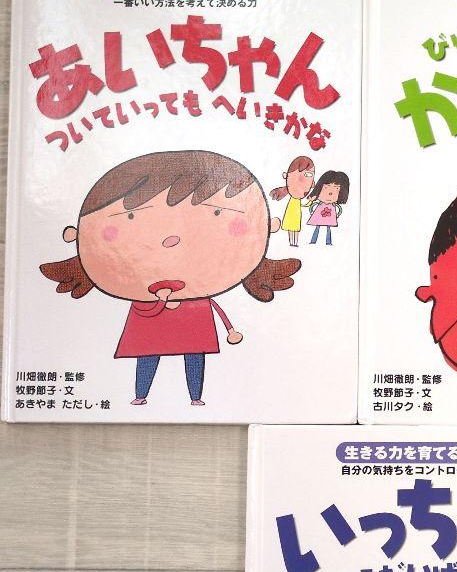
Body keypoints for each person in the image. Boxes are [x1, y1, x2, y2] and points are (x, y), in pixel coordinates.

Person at [40, 150, 299, 407]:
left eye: (216, 213)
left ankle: (195, 397)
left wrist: (229, 329)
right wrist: (158, 301)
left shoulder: (200, 292)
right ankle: (141, 394)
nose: (171, 239)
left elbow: (218, 310)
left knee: (194, 355)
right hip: (150, 317)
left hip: (194, 317)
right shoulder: (141, 293)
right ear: (77, 236)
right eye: (130, 216)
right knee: (148, 354)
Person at [270, 156, 316, 246]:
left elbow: (303, 205)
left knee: (295, 229)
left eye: (308, 175)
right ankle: (292, 242)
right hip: (291, 215)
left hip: (296, 216)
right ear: (286, 176)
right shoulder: (293, 199)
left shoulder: (297, 200)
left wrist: (310, 201)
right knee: (291, 229)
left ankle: (294, 242)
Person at [306, 170, 350, 245]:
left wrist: (337, 215)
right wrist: (312, 212)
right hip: (318, 217)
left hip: (330, 218)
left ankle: (328, 242)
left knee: (328, 228)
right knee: (317, 227)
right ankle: (313, 241)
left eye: (336, 189)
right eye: (326, 187)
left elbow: (339, 209)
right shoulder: (320, 204)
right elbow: (312, 206)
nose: (330, 193)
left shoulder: (333, 206)